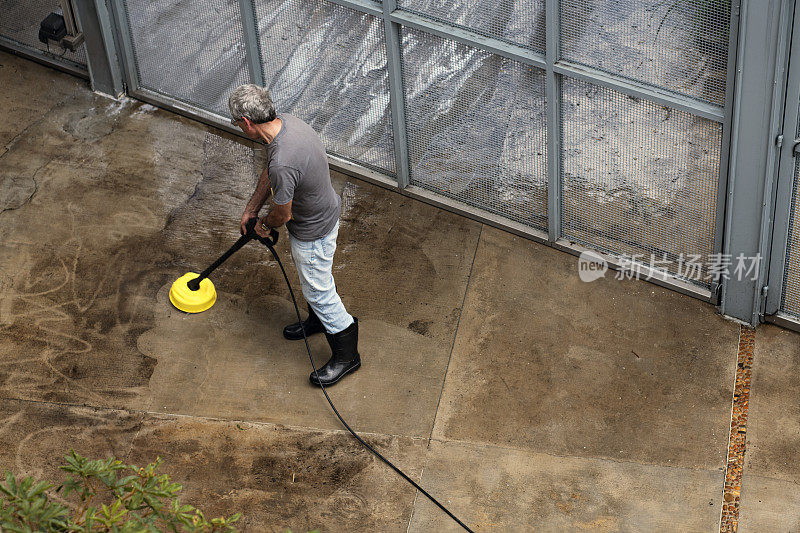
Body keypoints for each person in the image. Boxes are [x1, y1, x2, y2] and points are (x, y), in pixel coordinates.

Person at [228, 84, 360, 386]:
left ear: (247, 123)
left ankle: (347, 354)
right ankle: (317, 321)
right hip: (324, 213)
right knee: (314, 280)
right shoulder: (286, 125)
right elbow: (271, 171)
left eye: (237, 123)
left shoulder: (284, 160)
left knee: (319, 291)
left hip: (313, 230)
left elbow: (282, 214)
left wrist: (263, 225)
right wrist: (252, 209)